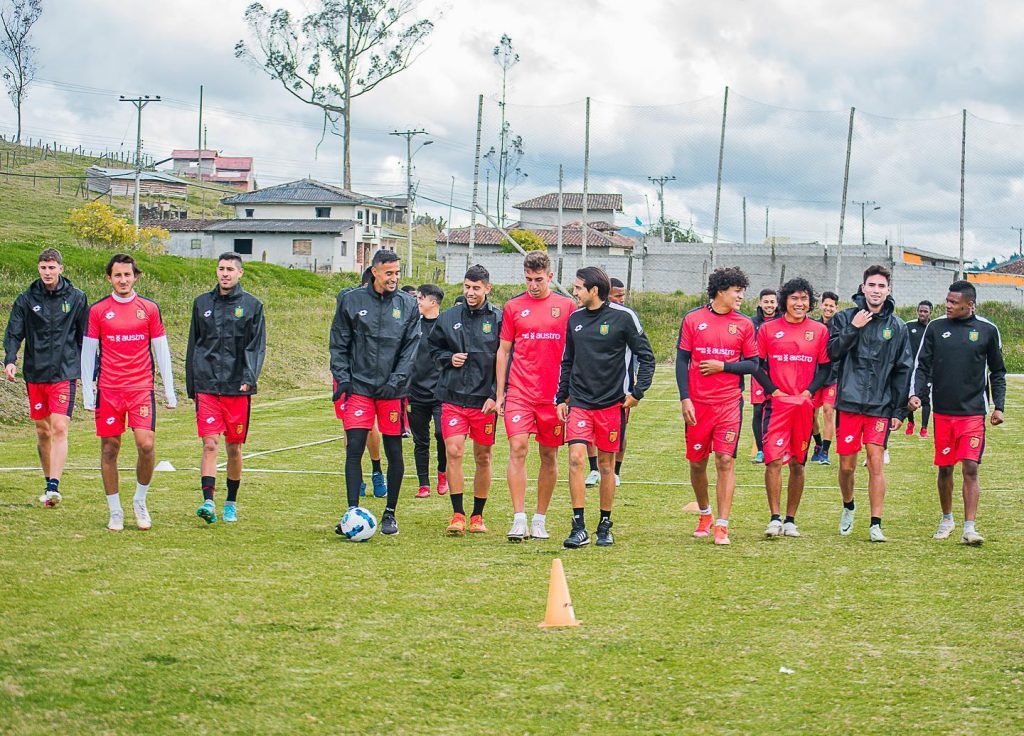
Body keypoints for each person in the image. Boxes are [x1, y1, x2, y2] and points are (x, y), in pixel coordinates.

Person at [557, 267, 655, 548]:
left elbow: (646, 357)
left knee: (606, 465)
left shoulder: (624, 317)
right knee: (576, 459)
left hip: (612, 404)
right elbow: (568, 360)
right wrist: (561, 397)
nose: (574, 292)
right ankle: (578, 526)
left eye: (578, 288)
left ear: (594, 290)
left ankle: (604, 524)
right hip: (580, 402)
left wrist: (637, 392)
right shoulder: (574, 319)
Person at [80, 253, 177, 531]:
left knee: (146, 445)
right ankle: (115, 511)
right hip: (109, 391)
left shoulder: (149, 308)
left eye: (127, 274)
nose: (123, 280)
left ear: (136, 277)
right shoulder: (98, 311)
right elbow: (88, 353)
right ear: (109, 278)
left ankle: (139, 500)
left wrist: (169, 391)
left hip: (140, 389)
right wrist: (88, 393)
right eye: (117, 275)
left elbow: (161, 350)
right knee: (110, 449)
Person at [330, 250, 419, 536]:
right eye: (389, 273)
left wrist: (396, 380)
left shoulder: (407, 304)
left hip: (392, 391)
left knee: (394, 451)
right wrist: (343, 379)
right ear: (374, 272)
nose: (394, 278)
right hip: (359, 388)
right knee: (354, 448)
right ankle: (352, 512)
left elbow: (411, 349)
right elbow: (338, 343)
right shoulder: (351, 300)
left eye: (397, 272)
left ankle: (390, 513)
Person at [910, 281, 1005, 545]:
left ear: (969, 304)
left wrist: (999, 406)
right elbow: (922, 365)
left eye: (953, 302)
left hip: (973, 413)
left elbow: (998, 371)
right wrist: (917, 394)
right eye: (947, 300)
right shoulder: (935, 327)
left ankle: (969, 528)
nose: (948, 305)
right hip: (942, 412)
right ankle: (947, 519)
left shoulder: (987, 330)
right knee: (945, 469)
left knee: (971, 467)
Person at [495, 251, 577, 541]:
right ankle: (519, 518)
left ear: (550, 277)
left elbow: (576, 351)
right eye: (528, 279)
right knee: (517, 447)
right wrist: (500, 392)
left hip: (552, 397)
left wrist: (568, 394)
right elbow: (504, 351)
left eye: (538, 279)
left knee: (549, 455)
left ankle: (539, 519)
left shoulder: (567, 306)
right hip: (520, 391)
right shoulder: (513, 307)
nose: (533, 285)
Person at [827, 266, 912, 542]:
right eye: (871, 285)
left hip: (880, 406)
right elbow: (833, 352)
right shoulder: (844, 318)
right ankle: (849, 505)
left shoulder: (897, 327)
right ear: (863, 288)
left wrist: (899, 409)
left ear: (889, 290)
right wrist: (854, 328)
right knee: (847, 467)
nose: (876, 290)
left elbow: (903, 369)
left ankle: (876, 524)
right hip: (849, 404)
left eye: (881, 286)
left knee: (876, 463)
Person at [676, 267, 759, 545]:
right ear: (721, 291)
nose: (741, 296)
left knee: (725, 460)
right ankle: (705, 513)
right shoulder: (693, 319)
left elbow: (753, 364)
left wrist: (724, 366)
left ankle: (722, 525)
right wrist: (685, 398)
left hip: (729, 405)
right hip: (698, 405)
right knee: (697, 463)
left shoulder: (745, 324)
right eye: (737, 291)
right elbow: (682, 361)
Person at [186, 252, 267, 524]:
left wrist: (249, 376)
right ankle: (208, 501)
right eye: (221, 268)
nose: (225, 273)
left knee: (234, 449)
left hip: (237, 388)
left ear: (240, 273)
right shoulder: (202, 303)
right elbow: (194, 344)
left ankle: (230, 502)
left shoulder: (252, 306)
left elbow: (256, 346)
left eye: (230, 269)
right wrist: (192, 383)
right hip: (207, 385)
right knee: (210, 444)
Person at [3, 248, 88, 507]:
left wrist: (90, 368)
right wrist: (10, 359)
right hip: (35, 372)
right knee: (43, 430)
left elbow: (85, 336)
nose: (47, 272)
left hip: (65, 371)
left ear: (61, 268)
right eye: (43, 268)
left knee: (59, 427)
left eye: (52, 267)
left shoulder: (76, 298)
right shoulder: (26, 299)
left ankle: (54, 487)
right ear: (38, 269)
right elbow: (14, 332)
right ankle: (48, 479)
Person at [754, 277, 830, 538]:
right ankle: (774, 518)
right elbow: (757, 365)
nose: (799, 303)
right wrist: (773, 390)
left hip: (803, 407)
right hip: (776, 407)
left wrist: (809, 392)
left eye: (804, 298)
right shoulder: (768, 329)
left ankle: (790, 520)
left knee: (798, 463)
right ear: (784, 301)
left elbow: (825, 368)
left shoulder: (819, 330)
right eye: (794, 298)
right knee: (773, 461)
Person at [428, 265, 502, 534]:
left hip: (484, 403)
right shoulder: (448, 317)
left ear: (487, 288)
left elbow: (506, 359)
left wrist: (495, 395)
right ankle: (457, 514)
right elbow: (433, 348)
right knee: (454, 451)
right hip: (453, 398)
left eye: (476, 288)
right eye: (467, 287)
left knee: (483, 457)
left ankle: (477, 516)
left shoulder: (499, 319)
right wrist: (449, 358)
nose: (470, 292)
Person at [332, 266, 387, 498]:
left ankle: (377, 469)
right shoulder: (348, 299)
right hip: (348, 376)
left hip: (372, 377)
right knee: (349, 426)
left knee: (370, 426)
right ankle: (358, 476)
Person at [585, 277, 632, 487]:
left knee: (621, 429)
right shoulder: (587, 316)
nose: (622, 299)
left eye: (623, 295)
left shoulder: (626, 317)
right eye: (617, 295)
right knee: (589, 430)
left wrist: (634, 386)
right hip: (589, 386)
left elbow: (640, 352)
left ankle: (616, 471)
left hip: (619, 389)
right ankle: (594, 469)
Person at [408, 284, 448, 498]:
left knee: (442, 434)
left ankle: (443, 473)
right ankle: (423, 483)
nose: (417, 302)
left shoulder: (446, 325)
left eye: (420, 298)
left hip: (441, 393)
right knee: (420, 441)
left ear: (432, 302)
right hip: (415, 392)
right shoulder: (413, 325)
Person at [810, 290, 840, 465]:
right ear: (821, 306)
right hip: (815, 378)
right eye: (826, 305)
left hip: (831, 379)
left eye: (832, 306)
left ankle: (825, 452)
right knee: (811, 415)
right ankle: (818, 444)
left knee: (828, 412)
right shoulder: (813, 326)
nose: (828, 308)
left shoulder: (839, 328)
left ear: (836, 308)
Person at [750, 288, 778, 464]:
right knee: (759, 410)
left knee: (777, 409)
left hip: (777, 372)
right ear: (760, 303)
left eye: (772, 302)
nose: (769, 305)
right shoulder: (752, 323)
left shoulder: (783, 320)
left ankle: (775, 447)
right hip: (759, 371)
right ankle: (761, 450)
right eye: (766, 302)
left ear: (777, 303)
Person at [905, 300, 933, 438]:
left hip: (927, 368)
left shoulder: (933, 328)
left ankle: (924, 428)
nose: (922, 313)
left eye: (925, 311)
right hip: (911, 368)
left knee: (926, 397)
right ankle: (910, 422)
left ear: (930, 312)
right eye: (920, 311)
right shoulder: (909, 326)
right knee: (909, 395)